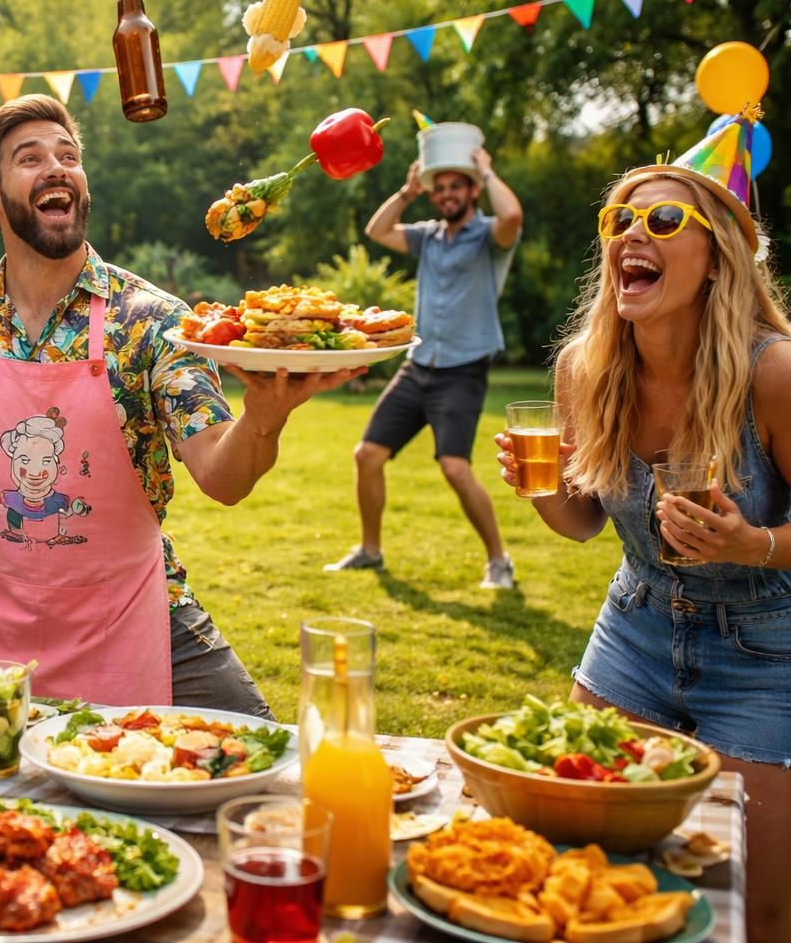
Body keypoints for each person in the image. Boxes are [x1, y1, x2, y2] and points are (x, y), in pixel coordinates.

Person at [0, 94, 360, 712]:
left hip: (135, 611)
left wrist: (264, 415)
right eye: (30, 158)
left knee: (257, 766)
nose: (57, 167)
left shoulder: (155, 322)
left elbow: (223, 479)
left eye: (69, 155)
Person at [494, 107, 788, 941]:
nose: (632, 233)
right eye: (619, 218)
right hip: (635, 629)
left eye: (663, 218)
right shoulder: (583, 370)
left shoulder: (775, 374)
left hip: (767, 650)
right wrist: (541, 491)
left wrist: (753, 543)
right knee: (590, 870)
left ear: (719, 253)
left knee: (751, 903)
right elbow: (584, 522)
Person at [328, 139, 523, 588]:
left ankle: (499, 560)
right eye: (441, 188)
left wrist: (486, 170)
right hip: (418, 364)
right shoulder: (428, 236)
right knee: (367, 455)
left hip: (463, 368)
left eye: (457, 186)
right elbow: (377, 231)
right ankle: (371, 552)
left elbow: (513, 216)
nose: (447, 193)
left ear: (472, 190)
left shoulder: (491, 236)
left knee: (455, 467)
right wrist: (407, 192)